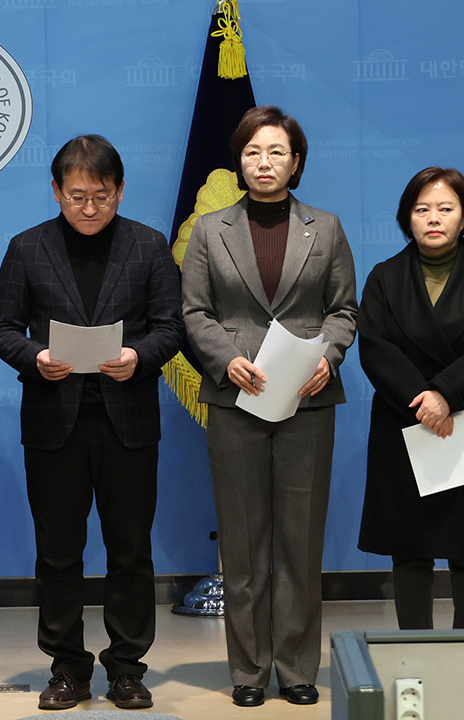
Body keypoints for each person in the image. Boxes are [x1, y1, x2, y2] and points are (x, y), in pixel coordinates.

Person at [0, 135, 183, 711]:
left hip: (128, 421)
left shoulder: (149, 247)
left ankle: (126, 667)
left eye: (101, 195)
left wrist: (140, 358)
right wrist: (36, 359)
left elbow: (171, 327)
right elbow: (3, 329)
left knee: (130, 550)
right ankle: (67, 668)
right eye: (76, 196)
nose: (90, 207)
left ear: (120, 191)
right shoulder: (27, 248)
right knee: (58, 552)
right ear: (55, 192)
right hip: (54, 420)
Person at [181, 106, 357, 707]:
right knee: (245, 540)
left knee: (299, 543)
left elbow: (344, 311)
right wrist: (224, 358)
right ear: (240, 160)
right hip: (237, 399)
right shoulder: (210, 230)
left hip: (306, 400)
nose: (265, 162)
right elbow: (194, 313)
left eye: (277, 152)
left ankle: (298, 669)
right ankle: (249, 672)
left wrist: (327, 356)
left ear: (296, 162)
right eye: (254, 152)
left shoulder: (326, 229)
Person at [357, 167, 464, 629]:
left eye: (446, 208)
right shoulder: (384, 277)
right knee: (411, 552)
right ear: (407, 218)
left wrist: (446, 393)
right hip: (407, 425)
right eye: (422, 209)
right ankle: (413, 653)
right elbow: (374, 347)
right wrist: (423, 399)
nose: (433, 218)